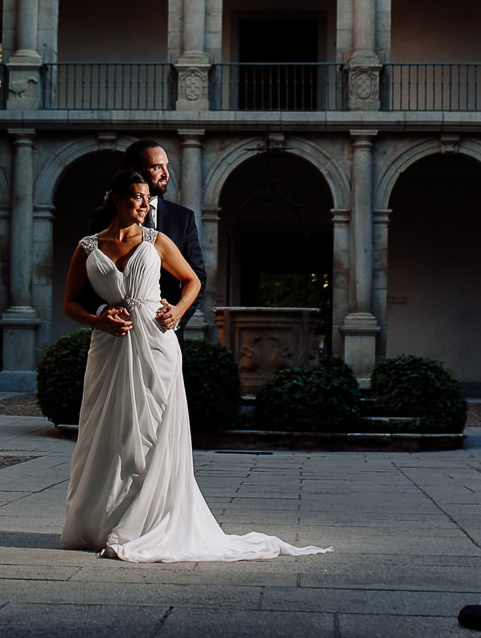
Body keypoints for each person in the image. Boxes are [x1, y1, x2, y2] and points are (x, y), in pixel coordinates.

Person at [59, 168, 331, 562]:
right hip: (109, 348)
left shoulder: (157, 241)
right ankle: (99, 522)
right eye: (135, 196)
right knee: (107, 432)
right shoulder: (87, 246)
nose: (143, 203)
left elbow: (192, 281)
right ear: (115, 199)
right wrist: (99, 319)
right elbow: (70, 304)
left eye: (145, 197)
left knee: (149, 434)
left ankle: (145, 523)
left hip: (156, 343)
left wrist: (178, 311)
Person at [80, 140, 206, 336]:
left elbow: (197, 276)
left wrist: (177, 315)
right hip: (116, 331)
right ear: (135, 171)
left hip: (165, 332)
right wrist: (102, 312)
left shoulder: (182, 218)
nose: (166, 174)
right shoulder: (103, 217)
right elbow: (88, 277)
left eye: (167, 166)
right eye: (157, 167)